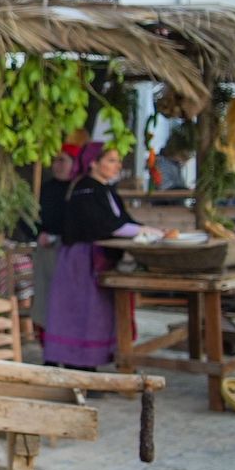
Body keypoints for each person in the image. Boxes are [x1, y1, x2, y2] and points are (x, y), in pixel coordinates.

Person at [42, 143, 161, 369]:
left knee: (96, 316)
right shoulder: (85, 189)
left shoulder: (106, 190)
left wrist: (148, 230)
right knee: (80, 315)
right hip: (80, 261)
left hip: (98, 261)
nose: (117, 166)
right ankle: (79, 369)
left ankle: (91, 366)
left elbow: (124, 220)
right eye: (111, 160)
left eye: (117, 161)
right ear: (93, 163)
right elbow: (104, 225)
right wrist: (144, 231)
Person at [30, 150, 76, 332]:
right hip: (47, 250)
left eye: (62, 160)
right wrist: (39, 233)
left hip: (71, 251)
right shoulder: (47, 188)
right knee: (45, 298)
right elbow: (37, 218)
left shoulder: (78, 188)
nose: (57, 165)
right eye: (55, 161)